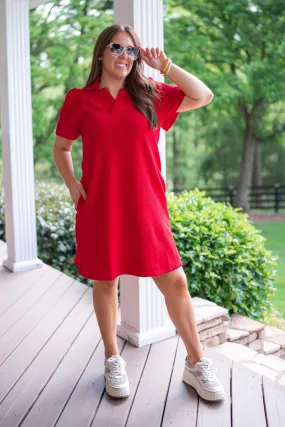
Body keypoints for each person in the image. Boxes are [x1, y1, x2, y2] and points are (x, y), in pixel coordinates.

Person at [53, 24, 224, 402]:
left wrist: (166, 67)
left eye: (131, 51)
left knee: (175, 282)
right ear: (101, 53)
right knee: (105, 283)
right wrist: (71, 184)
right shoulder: (80, 99)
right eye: (116, 48)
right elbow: (61, 147)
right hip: (100, 206)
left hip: (147, 207)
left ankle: (196, 363)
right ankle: (112, 358)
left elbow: (204, 95)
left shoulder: (151, 93)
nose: (124, 56)